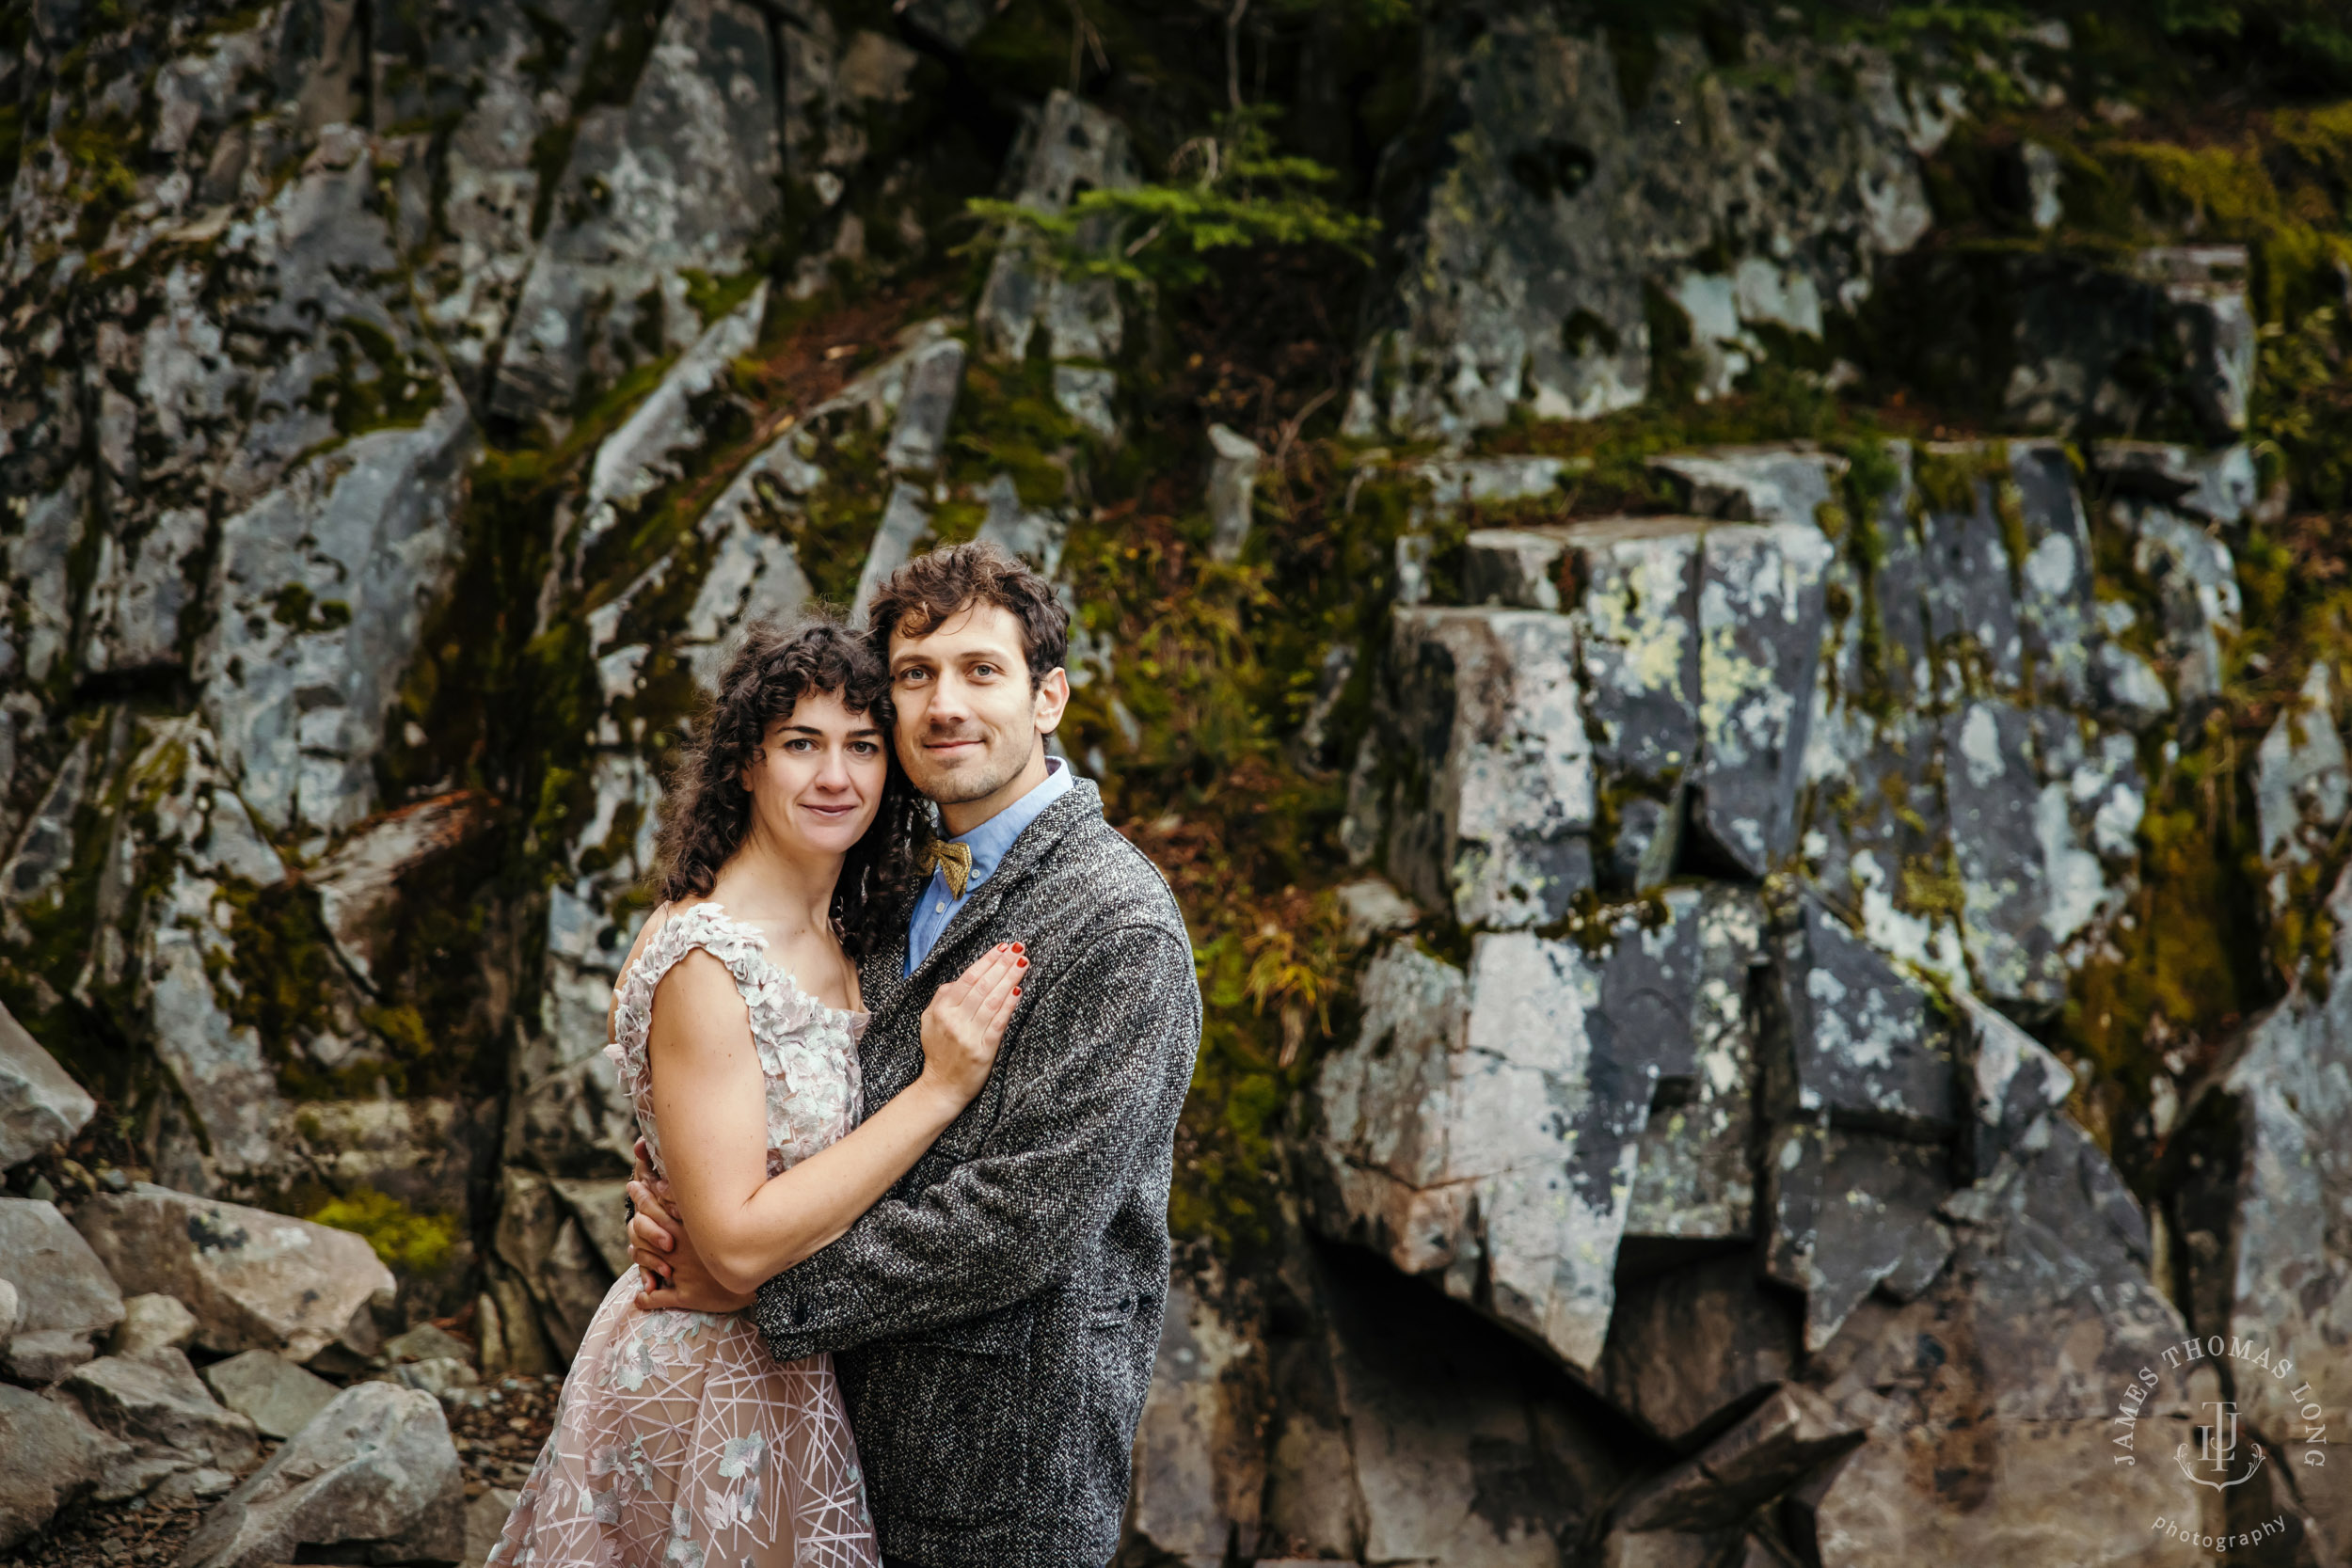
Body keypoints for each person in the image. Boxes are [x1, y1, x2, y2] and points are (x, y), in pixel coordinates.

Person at [625, 541, 1203, 1568]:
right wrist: (687, 1192)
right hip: (818, 1433)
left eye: (982, 670)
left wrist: (760, 1287)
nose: (945, 704)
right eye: (914, 673)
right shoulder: (878, 880)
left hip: (997, 1470)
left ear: (1049, 696)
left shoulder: (1118, 924)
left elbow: (1020, 1218)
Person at [485, 617, 1032, 1568]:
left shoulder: (850, 931)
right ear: (745, 762)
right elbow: (733, 1243)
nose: (836, 777)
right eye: (800, 744)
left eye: (863, 745)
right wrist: (938, 1089)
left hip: (796, 1371)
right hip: (706, 1385)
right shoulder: (709, 956)